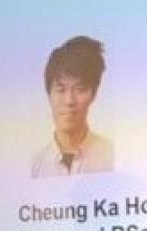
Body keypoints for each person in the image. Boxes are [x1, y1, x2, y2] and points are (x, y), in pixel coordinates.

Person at [31, 35, 113, 177]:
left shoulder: (111, 154)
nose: (69, 100)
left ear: (93, 94)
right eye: (60, 89)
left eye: (80, 89)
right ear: (48, 93)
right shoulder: (35, 166)